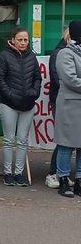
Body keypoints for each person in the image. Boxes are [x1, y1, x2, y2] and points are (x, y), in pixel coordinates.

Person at [0, 27, 42, 187]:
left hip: (28, 104)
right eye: (20, 39)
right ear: (13, 40)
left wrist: (34, 93)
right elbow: (0, 79)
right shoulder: (4, 56)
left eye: (25, 40)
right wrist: (11, 95)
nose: (23, 42)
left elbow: (37, 77)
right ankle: (8, 173)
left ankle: (19, 173)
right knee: (9, 139)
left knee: (22, 140)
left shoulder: (32, 57)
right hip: (9, 104)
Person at [54, 20, 81, 198]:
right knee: (66, 144)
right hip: (70, 104)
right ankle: (63, 178)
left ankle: (79, 179)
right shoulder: (65, 53)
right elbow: (70, 79)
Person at [44, 27, 69, 189]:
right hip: (62, 101)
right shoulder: (59, 53)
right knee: (64, 139)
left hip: (68, 100)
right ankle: (54, 173)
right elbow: (57, 78)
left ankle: (61, 173)